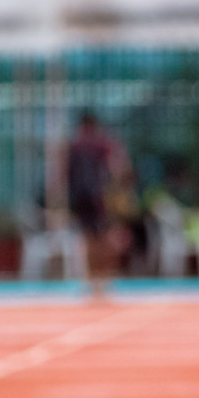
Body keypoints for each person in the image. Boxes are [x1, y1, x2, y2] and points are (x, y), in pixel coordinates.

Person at [66, 112, 126, 276]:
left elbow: (64, 173)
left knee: (92, 236)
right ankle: (100, 273)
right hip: (95, 197)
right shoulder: (100, 145)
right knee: (100, 236)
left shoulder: (76, 146)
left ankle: (95, 272)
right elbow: (115, 167)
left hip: (85, 198)